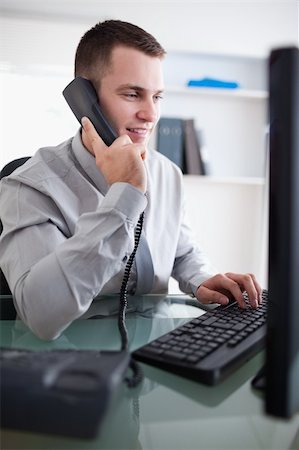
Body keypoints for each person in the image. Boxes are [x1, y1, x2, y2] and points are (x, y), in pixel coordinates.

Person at [0, 20, 262, 340]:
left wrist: (202, 279)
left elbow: (181, 251)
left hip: (153, 357)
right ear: (84, 99)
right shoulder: (29, 186)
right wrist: (124, 193)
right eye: (133, 94)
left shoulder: (167, 173)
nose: (151, 114)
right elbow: (41, 315)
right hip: (69, 366)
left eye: (157, 97)